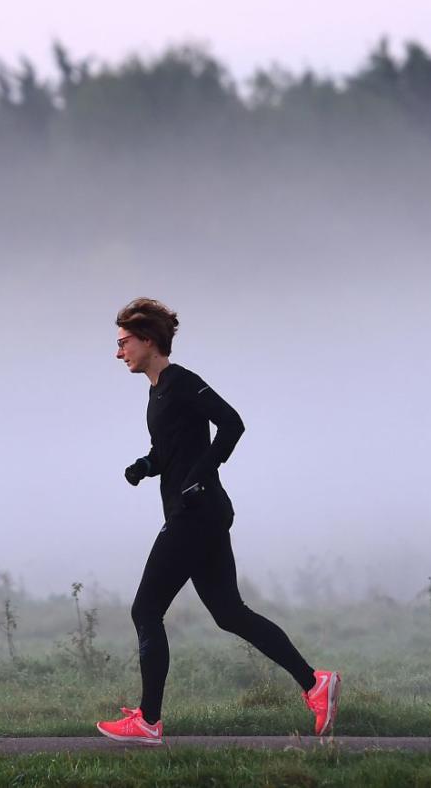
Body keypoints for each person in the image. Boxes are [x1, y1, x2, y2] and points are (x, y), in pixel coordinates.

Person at [96, 297, 341, 745]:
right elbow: (170, 449)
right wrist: (145, 466)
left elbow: (232, 423)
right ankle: (314, 684)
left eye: (123, 343)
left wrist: (199, 476)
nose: (118, 353)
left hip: (196, 514)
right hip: (199, 514)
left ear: (148, 341)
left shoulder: (183, 381)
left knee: (145, 610)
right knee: (229, 613)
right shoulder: (158, 392)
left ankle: (149, 721)